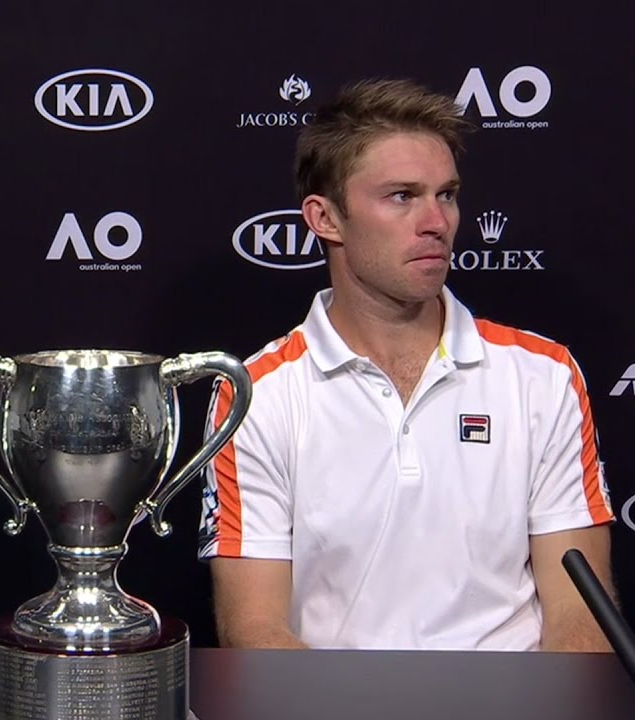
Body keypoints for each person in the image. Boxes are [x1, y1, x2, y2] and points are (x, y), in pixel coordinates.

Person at [199, 79, 616, 651]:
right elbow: (254, 630)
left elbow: (581, 617)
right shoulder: (257, 394)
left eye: (446, 194)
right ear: (325, 219)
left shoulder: (542, 374)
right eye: (402, 196)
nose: (436, 222)